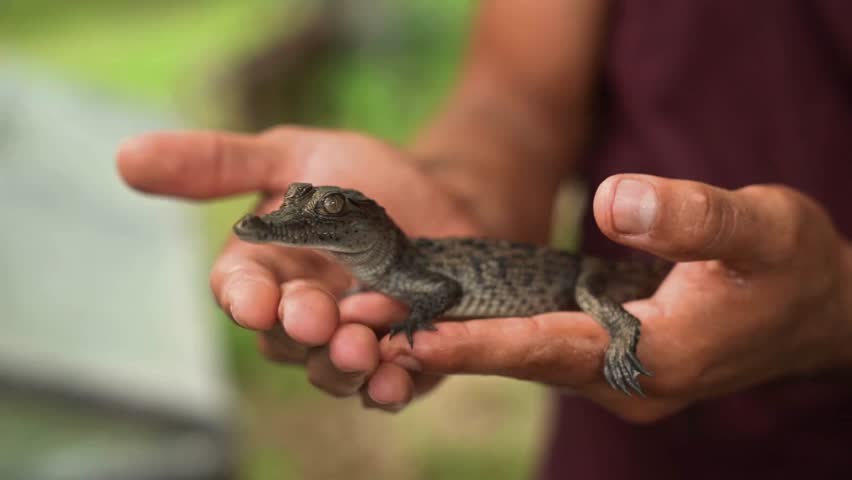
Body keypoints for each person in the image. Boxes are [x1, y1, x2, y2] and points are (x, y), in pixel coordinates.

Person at [117, 1, 852, 477]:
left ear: (364, 223)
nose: (301, 220)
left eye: (330, 211)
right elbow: (519, 97)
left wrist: (835, 305)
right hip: (628, 451)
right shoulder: (387, 264)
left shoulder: (404, 280)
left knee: (602, 302)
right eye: (318, 214)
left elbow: (432, 292)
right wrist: (463, 191)